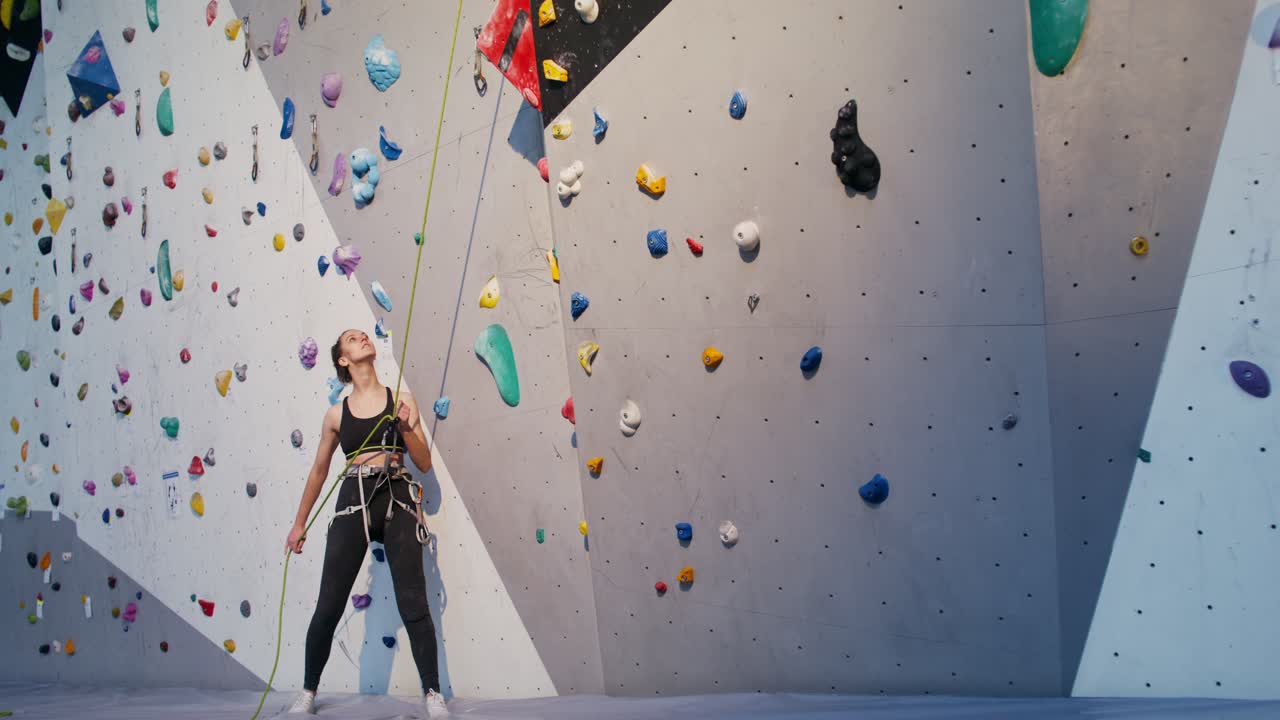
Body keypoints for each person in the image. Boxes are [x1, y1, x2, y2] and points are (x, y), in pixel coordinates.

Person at [285, 329, 448, 718]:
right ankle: (307, 692)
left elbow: (424, 463)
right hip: (353, 501)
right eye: (352, 339)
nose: (362, 338)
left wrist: (407, 427)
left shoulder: (402, 401)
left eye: (364, 336)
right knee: (329, 603)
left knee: (414, 602)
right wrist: (298, 524)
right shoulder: (336, 415)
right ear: (343, 360)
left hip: (397, 496)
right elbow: (318, 472)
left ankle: (433, 695)